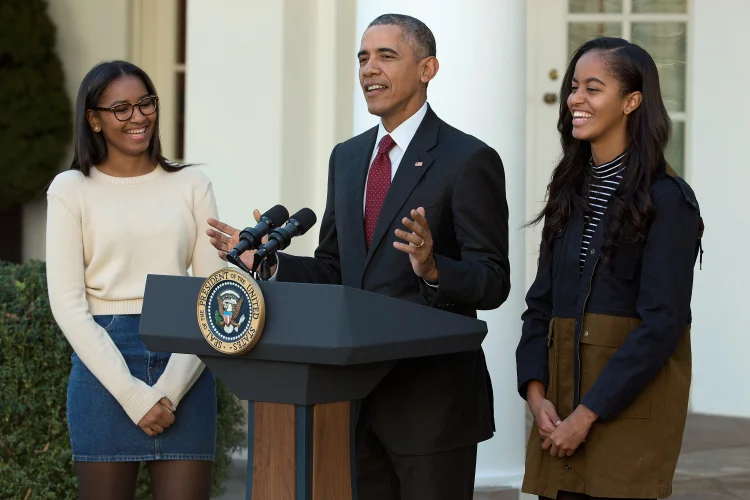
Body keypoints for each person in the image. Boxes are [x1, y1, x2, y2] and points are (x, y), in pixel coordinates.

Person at [206, 13, 510, 500]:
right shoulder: (346, 159)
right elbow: (335, 268)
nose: (369, 69)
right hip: (351, 401)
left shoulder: (467, 159)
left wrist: (434, 269)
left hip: (431, 408)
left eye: (387, 56)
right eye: (363, 58)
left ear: (428, 68)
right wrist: (267, 263)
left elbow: (493, 281)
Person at [516, 37, 704, 500]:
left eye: (593, 88)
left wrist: (586, 416)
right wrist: (536, 394)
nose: (575, 99)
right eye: (574, 87)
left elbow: (662, 325)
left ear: (631, 101)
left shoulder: (668, 202)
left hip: (625, 413)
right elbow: (540, 304)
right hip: (558, 410)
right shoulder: (568, 192)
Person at [45, 61, 224, 500]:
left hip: (187, 357)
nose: (138, 116)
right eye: (120, 108)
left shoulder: (192, 184)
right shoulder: (70, 189)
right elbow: (68, 305)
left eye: (145, 103)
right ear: (94, 119)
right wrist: (132, 395)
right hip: (104, 367)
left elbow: (215, 295)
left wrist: (169, 390)